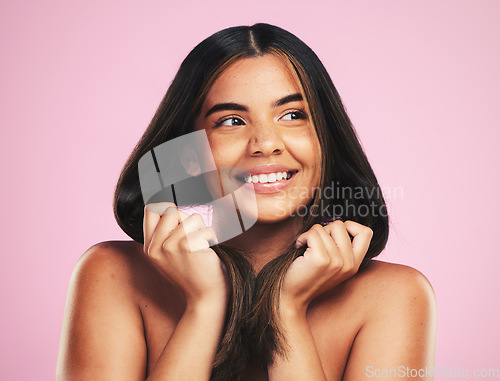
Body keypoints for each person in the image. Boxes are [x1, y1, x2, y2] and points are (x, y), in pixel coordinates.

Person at [56, 23, 437, 381]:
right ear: (189, 153)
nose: (266, 143)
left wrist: (286, 312)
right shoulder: (114, 274)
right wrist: (204, 306)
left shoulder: (397, 296)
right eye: (232, 121)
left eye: (293, 115)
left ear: (326, 141)